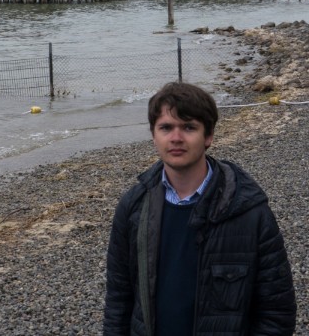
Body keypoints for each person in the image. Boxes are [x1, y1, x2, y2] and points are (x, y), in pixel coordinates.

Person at [103, 82, 296, 335]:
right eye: (166, 128)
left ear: (209, 136)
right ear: (153, 135)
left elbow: (277, 311)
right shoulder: (133, 207)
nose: (176, 138)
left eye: (189, 127)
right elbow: (118, 300)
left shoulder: (248, 210)